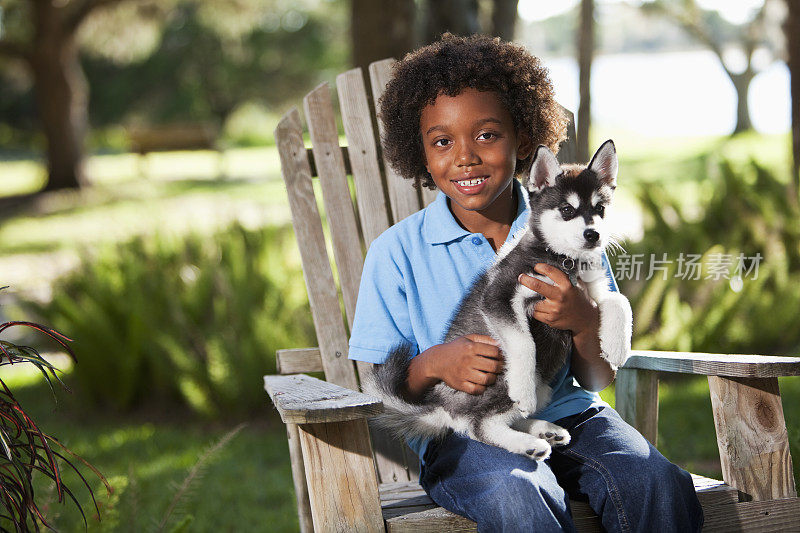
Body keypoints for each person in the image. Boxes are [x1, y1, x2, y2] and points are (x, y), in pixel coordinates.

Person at [348, 33, 703, 533]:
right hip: (467, 435)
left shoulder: (571, 231)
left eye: (487, 135)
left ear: (523, 140)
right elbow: (379, 385)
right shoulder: (397, 253)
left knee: (657, 482)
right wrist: (434, 363)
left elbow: (599, 378)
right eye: (442, 141)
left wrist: (584, 320)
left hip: (572, 416)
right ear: (420, 153)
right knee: (518, 491)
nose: (466, 156)